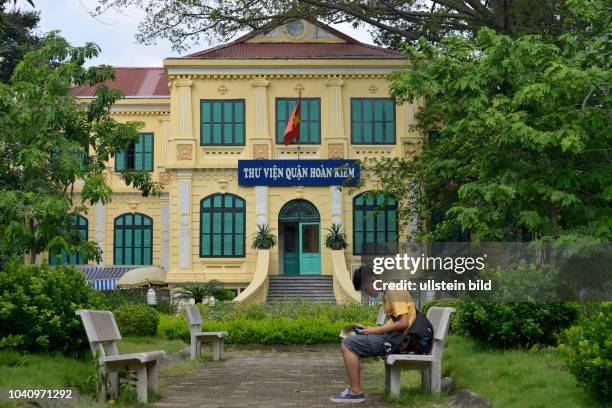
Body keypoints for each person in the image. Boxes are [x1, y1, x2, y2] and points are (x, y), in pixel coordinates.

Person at [330, 265, 416, 404]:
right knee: (354, 339)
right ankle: (354, 391)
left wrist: (373, 331)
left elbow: (404, 323)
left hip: (401, 342)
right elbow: (394, 322)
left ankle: (355, 393)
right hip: (396, 339)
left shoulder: (393, 291)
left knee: (348, 344)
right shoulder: (387, 293)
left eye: (365, 290)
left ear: (372, 281)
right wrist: (369, 328)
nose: (367, 294)